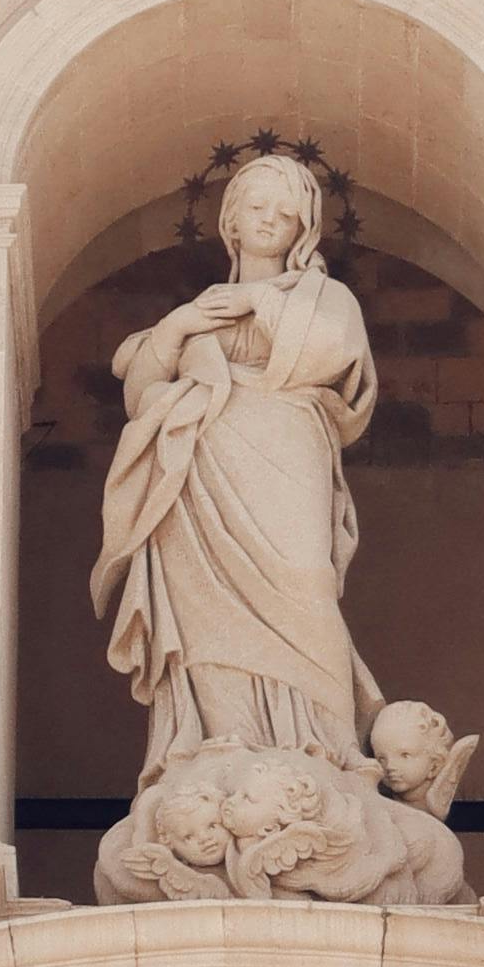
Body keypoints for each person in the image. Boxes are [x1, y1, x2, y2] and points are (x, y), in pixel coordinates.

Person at [94, 153, 382, 774]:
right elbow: (140, 394)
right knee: (206, 606)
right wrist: (177, 327)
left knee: (306, 581)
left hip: (287, 449)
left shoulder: (321, 295)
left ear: (304, 229)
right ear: (231, 219)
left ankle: (323, 745)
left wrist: (261, 301)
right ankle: (219, 743)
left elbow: (336, 357)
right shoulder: (204, 306)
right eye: (257, 207)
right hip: (198, 466)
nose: (270, 221)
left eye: (286, 213)